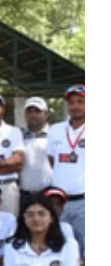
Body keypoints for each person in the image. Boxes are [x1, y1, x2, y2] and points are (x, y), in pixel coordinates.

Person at [46, 84, 85, 257]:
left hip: (85, 200)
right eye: (72, 102)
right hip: (58, 202)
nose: (75, 106)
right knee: (58, 247)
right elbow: (52, 160)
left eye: (81, 101)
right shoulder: (56, 130)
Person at [19, 95, 53, 210]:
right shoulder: (18, 136)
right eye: (29, 111)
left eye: (37, 111)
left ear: (45, 114)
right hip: (23, 194)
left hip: (49, 194)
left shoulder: (55, 135)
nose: (33, 114)